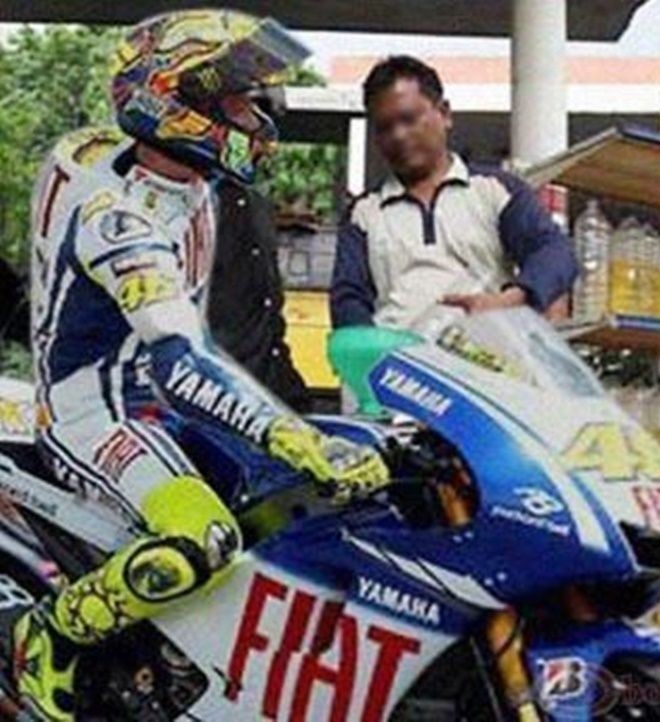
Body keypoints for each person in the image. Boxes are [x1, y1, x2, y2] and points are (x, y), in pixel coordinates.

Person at [19, 11, 389, 720]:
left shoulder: (188, 185)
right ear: (176, 102)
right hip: (92, 413)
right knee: (203, 538)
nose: (256, 116)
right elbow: (183, 360)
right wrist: (293, 434)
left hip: (158, 405)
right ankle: (54, 632)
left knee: (296, 510)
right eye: (237, 100)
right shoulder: (116, 219)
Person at [330, 55, 578, 330]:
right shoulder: (363, 214)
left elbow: (555, 252)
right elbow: (348, 299)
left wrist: (512, 299)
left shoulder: (495, 191)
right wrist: (368, 347)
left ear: (445, 114)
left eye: (409, 119)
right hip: (395, 356)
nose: (398, 135)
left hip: (486, 353)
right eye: (384, 127)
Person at [208, 181, 313, 412]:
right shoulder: (202, 203)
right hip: (220, 383)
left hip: (271, 380)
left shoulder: (258, 205)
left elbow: (269, 305)